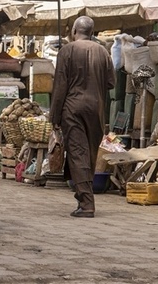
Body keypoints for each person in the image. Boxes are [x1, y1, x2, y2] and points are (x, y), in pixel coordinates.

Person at [50, 16, 115, 218]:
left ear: (74, 31)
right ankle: (83, 197)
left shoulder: (66, 51)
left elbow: (60, 87)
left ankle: (86, 203)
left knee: (78, 152)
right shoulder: (103, 52)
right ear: (92, 33)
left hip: (72, 107)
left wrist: (54, 116)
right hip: (96, 108)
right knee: (89, 153)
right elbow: (111, 83)